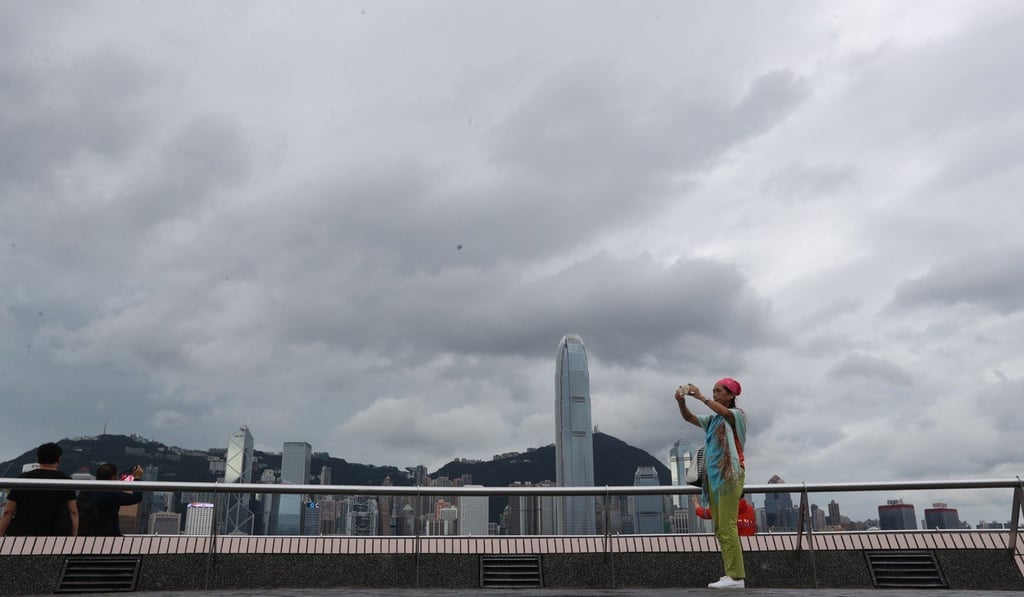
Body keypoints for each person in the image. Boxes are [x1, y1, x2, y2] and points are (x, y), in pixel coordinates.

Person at [676, 378, 748, 589]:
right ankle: (730, 574)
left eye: (719, 391)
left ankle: (736, 577)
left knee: (727, 527)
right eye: (713, 391)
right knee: (719, 528)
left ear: (731, 395)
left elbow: (726, 413)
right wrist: (681, 401)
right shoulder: (713, 419)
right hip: (715, 477)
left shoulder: (737, 415)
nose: (715, 394)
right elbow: (689, 417)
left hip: (730, 474)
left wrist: (700, 396)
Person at [0, 442, 79, 537]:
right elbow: (73, 512)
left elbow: (8, 511)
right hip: (55, 537)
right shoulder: (65, 480)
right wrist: (74, 537)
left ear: (38, 459)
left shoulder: (23, 479)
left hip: (22, 535)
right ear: (59, 459)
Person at [77, 464, 144, 536]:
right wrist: (137, 478)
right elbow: (137, 497)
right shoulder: (111, 493)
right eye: (116, 476)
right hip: (107, 536)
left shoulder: (86, 490)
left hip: (86, 535)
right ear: (112, 478)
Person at [692, 493, 757, 536]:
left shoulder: (724, 508)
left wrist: (695, 503)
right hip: (750, 548)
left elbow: (704, 514)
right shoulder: (751, 509)